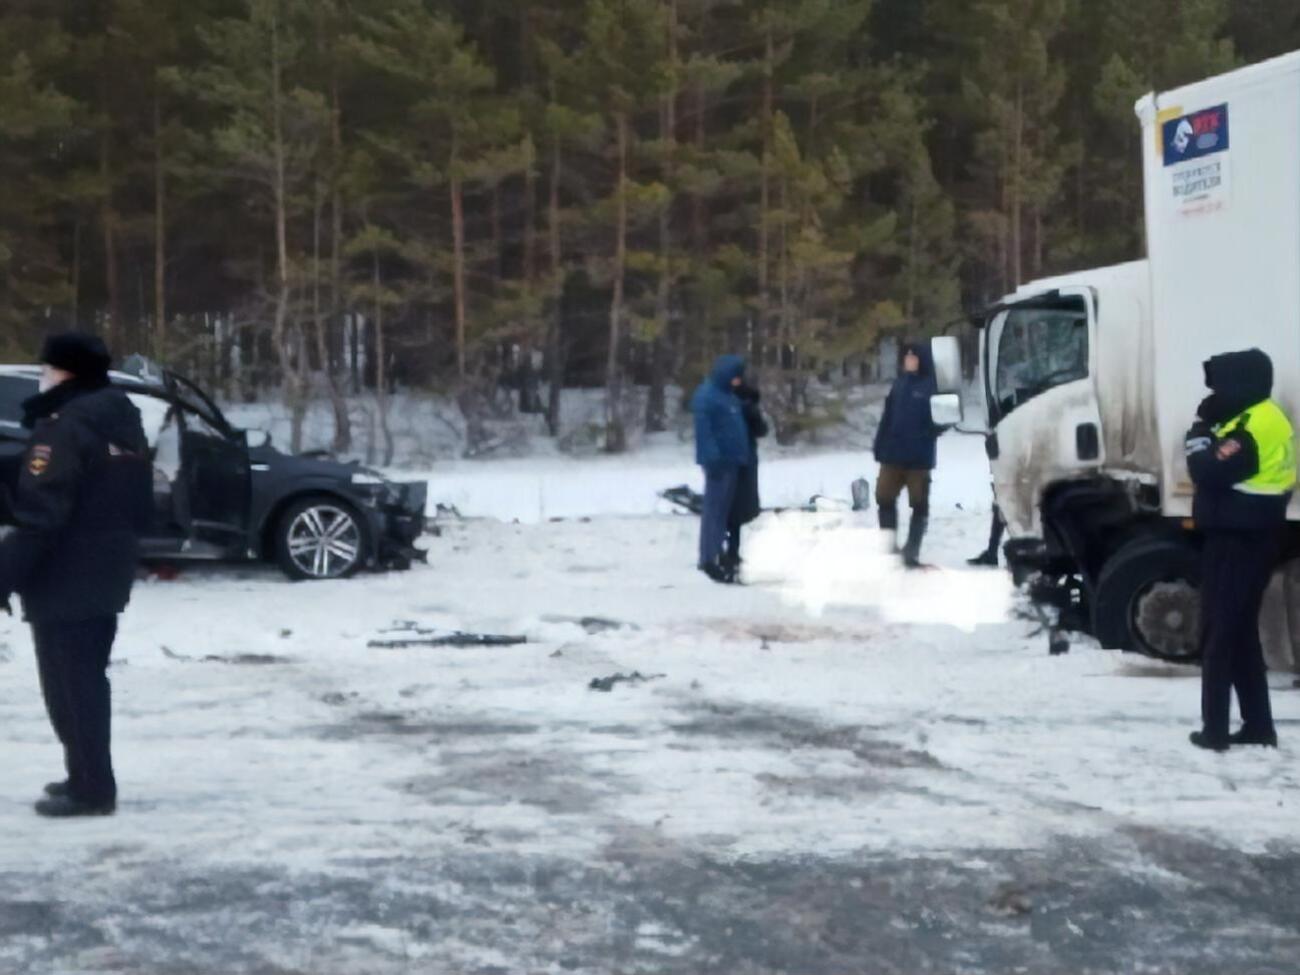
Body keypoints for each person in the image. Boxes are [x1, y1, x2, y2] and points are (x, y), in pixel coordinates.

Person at [0, 333, 151, 816]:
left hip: (64, 572)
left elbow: (42, 513)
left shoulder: (66, 426)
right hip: (106, 566)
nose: (43, 374)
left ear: (64, 371)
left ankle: (92, 789)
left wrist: (4, 575)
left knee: (71, 684)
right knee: (83, 679)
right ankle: (83, 775)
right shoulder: (119, 418)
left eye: (47, 367)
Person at [1183, 348, 1296, 752]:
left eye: (1222, 384)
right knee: (1241, 634)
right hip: (1254, 534)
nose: (1217, 392)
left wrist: (1197, 435)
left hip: (1237, 538)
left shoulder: (1251, 426)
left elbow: (1206, 470)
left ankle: (1214, 730)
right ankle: (1258, 726)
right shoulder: (1265, 416)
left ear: (1242, 383)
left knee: (1219, 633)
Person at [873, 340, 945, 568]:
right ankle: (889, 546)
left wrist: (929, 431)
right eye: (907, 357)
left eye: (913, 357)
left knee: (919, 504)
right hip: (892, 454)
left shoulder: (932, 385)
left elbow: (947, 417)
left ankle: (911, 551)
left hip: (919, 458)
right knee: (884, 498)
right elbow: (887, 416)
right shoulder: (899, 384)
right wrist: (879, 443)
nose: (909, 361)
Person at [692, 355, 752, 583]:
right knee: (714, 513)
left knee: (724, 513)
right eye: (736, 377)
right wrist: (711, 459)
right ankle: (709, 557)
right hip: (719, 463)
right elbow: (704, 433)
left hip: (732, 461)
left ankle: (719, 552)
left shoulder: (727, 396)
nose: (738, 381)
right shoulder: (707, 397)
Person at [723, 381, 768, 574]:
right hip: (745, 463)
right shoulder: (748, 409)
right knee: (738, 511)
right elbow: (761, 430)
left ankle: (722, 550)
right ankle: (732, 551)